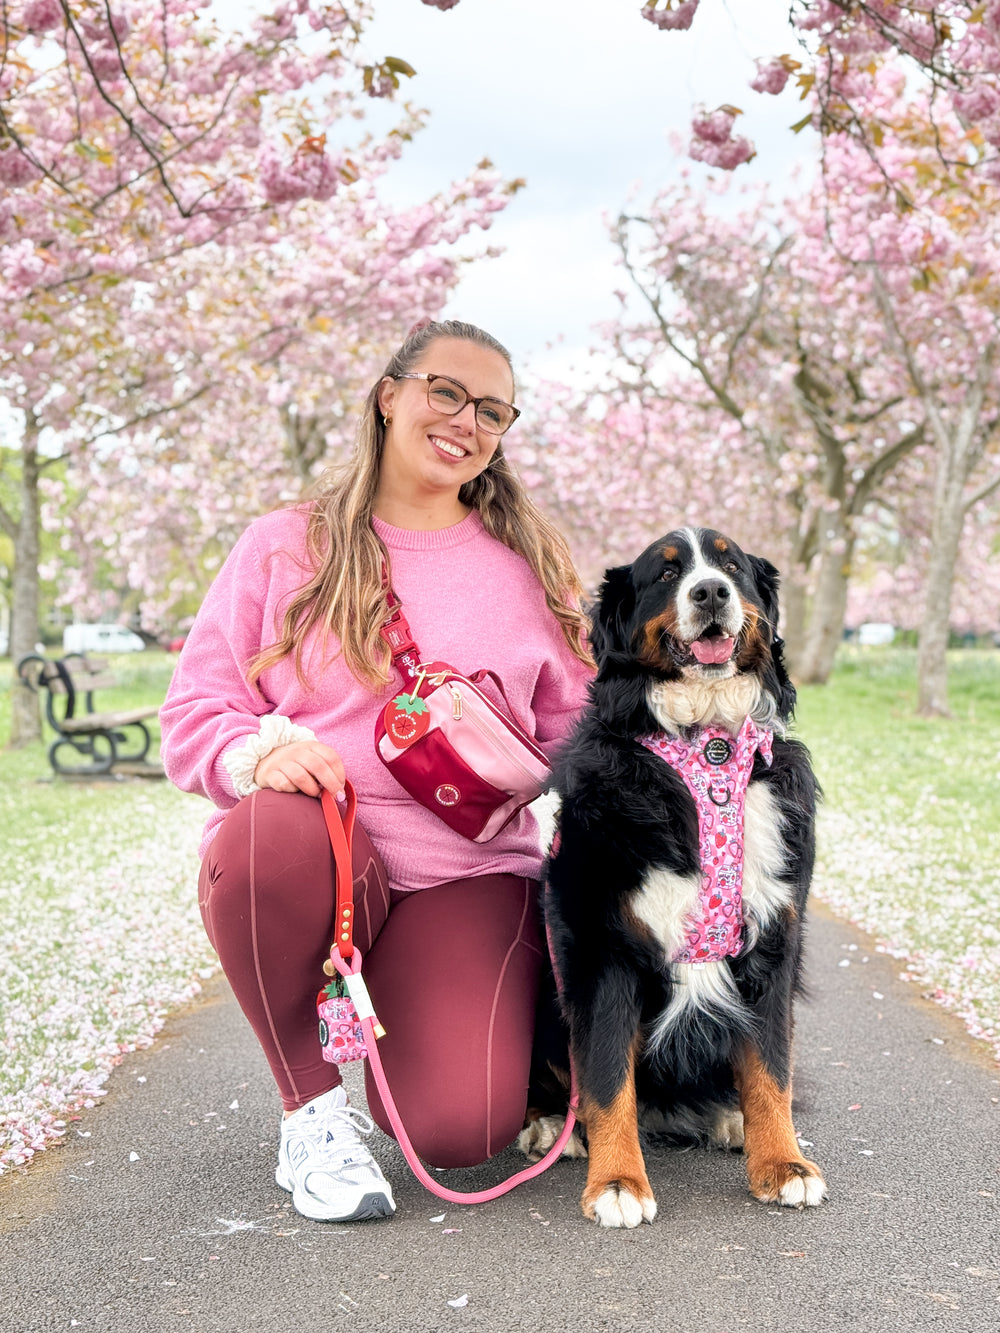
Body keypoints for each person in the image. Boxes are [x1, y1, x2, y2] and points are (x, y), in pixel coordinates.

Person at [159, 319, 594, 1223]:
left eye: (492, 410)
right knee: (262, 840)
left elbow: (585, 738)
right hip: (320, 849)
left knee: (458, 1128)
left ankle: (418, 1022)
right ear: (389, 392)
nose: (465, 420)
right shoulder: (285, 546)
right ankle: (311, 1108)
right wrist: (261, 753)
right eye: (446, 391)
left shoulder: (530, 568)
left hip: (469, 873)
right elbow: (193, 715)